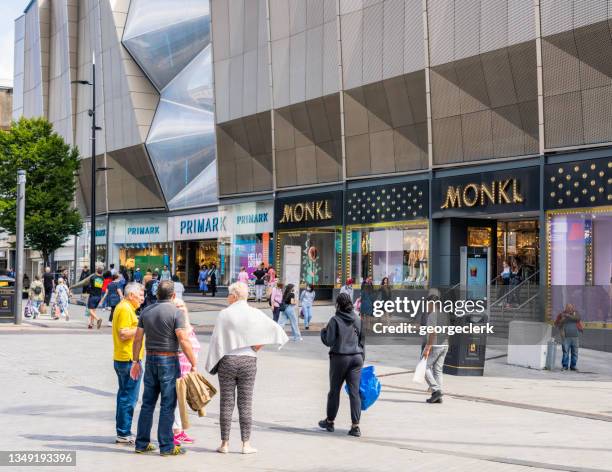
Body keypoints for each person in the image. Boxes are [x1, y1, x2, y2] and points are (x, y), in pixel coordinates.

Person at [205, 282, 288, 454]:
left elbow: (216, 340)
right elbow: (273, 328)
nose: (228, 297)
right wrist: (257, 346)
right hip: (248, 361)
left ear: (234, 296)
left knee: (226, 403)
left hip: (227, 360)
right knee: (246, 403)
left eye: (229, 295)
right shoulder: (254, 313)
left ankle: (225, 444)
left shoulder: (224, 314)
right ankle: (246, 444)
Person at [130, 280, 197, 456]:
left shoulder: (146, 311)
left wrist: (135, 361)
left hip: (150, 358)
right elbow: (183, 339)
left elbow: (138, 339)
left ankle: (141, 443)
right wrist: (193, 362)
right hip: (168, 360)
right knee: (168, 404)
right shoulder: (176, 313)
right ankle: (166, 446)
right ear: (173, 295)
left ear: (157, 295)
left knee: (147, 404)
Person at [319, 293, 365, 437]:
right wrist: (362, 358)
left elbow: (329, 341)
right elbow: (362, 341)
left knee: (334, 391)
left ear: (338, 305)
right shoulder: (358, 318)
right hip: (357, 357)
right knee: (354, 393)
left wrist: (323, 331)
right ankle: (355, 426)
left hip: (340, 358)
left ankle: (330, 421)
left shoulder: (335, 320)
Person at [112, 282, 145, 445]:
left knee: (124, 396)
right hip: (128, 359)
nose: (142, 299)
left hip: (124, 358)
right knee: (129, 398)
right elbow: (124, 333)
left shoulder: (125, 307)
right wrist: (143, 328)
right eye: (140, 295)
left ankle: (122, 431)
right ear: (131, 295)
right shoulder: (125, 308)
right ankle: (123, 433)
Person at [172, 298, 199, 446]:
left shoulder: (187, 324)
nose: (181, 308)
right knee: (177, 401)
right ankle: (176, 431)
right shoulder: (177, 325)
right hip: (180, 368)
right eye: (177, 306)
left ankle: (179, 430)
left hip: (188, 369)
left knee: (181, 402)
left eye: (182, 305)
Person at [422, 289, 449, 404]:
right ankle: (438, 396)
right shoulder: (444, 314)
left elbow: (433, 333)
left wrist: (427, 348)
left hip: (436, 345)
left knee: (424, 368)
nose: (426, 306)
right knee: (438, 370)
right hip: (444, 344)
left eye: (427, 304)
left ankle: (436, 391)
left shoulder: (432, 315)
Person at [71, 264, 105, 329]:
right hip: (98, 296)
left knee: (90, 310)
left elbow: (84, 282)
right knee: (93, 310)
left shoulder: (93, 277)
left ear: (96, 270)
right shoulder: (102, 278)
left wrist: (72, 287)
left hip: (92, 295)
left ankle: (98, 319)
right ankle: (91, 324)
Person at [555, 303, 582, 371]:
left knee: (575, 353)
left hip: (575, 337)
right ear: (565, 308)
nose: (569, 309)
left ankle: (573, 366)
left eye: (571, 307)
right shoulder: (561, 314)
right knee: (565, 352)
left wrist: (567, 316)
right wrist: (562, 319)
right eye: (568, 307)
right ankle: (565, 366)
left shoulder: (576, 313)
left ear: (573, 308)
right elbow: (556, 324)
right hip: (565, 337)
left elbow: (577, 319)